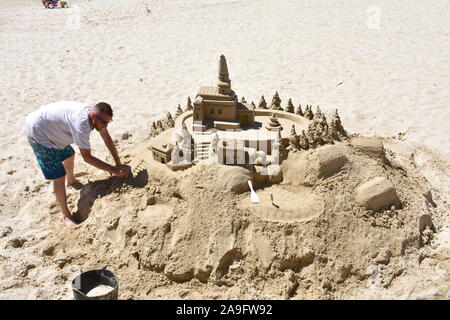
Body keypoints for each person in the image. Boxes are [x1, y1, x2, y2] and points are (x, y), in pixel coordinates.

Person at [26, 101, 128, 224]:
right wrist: (114, 170)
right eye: (104, 122)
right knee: (59, 175)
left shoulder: (95, 116)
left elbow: (106, 138)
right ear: (94, 117)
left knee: (69, 154)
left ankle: (71, 181)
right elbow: (87, 157)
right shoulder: (81, 126)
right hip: (39, 134)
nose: (106, 125)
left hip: (50, 127)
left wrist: (118, 163)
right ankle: (66, 215)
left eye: (108, 122)